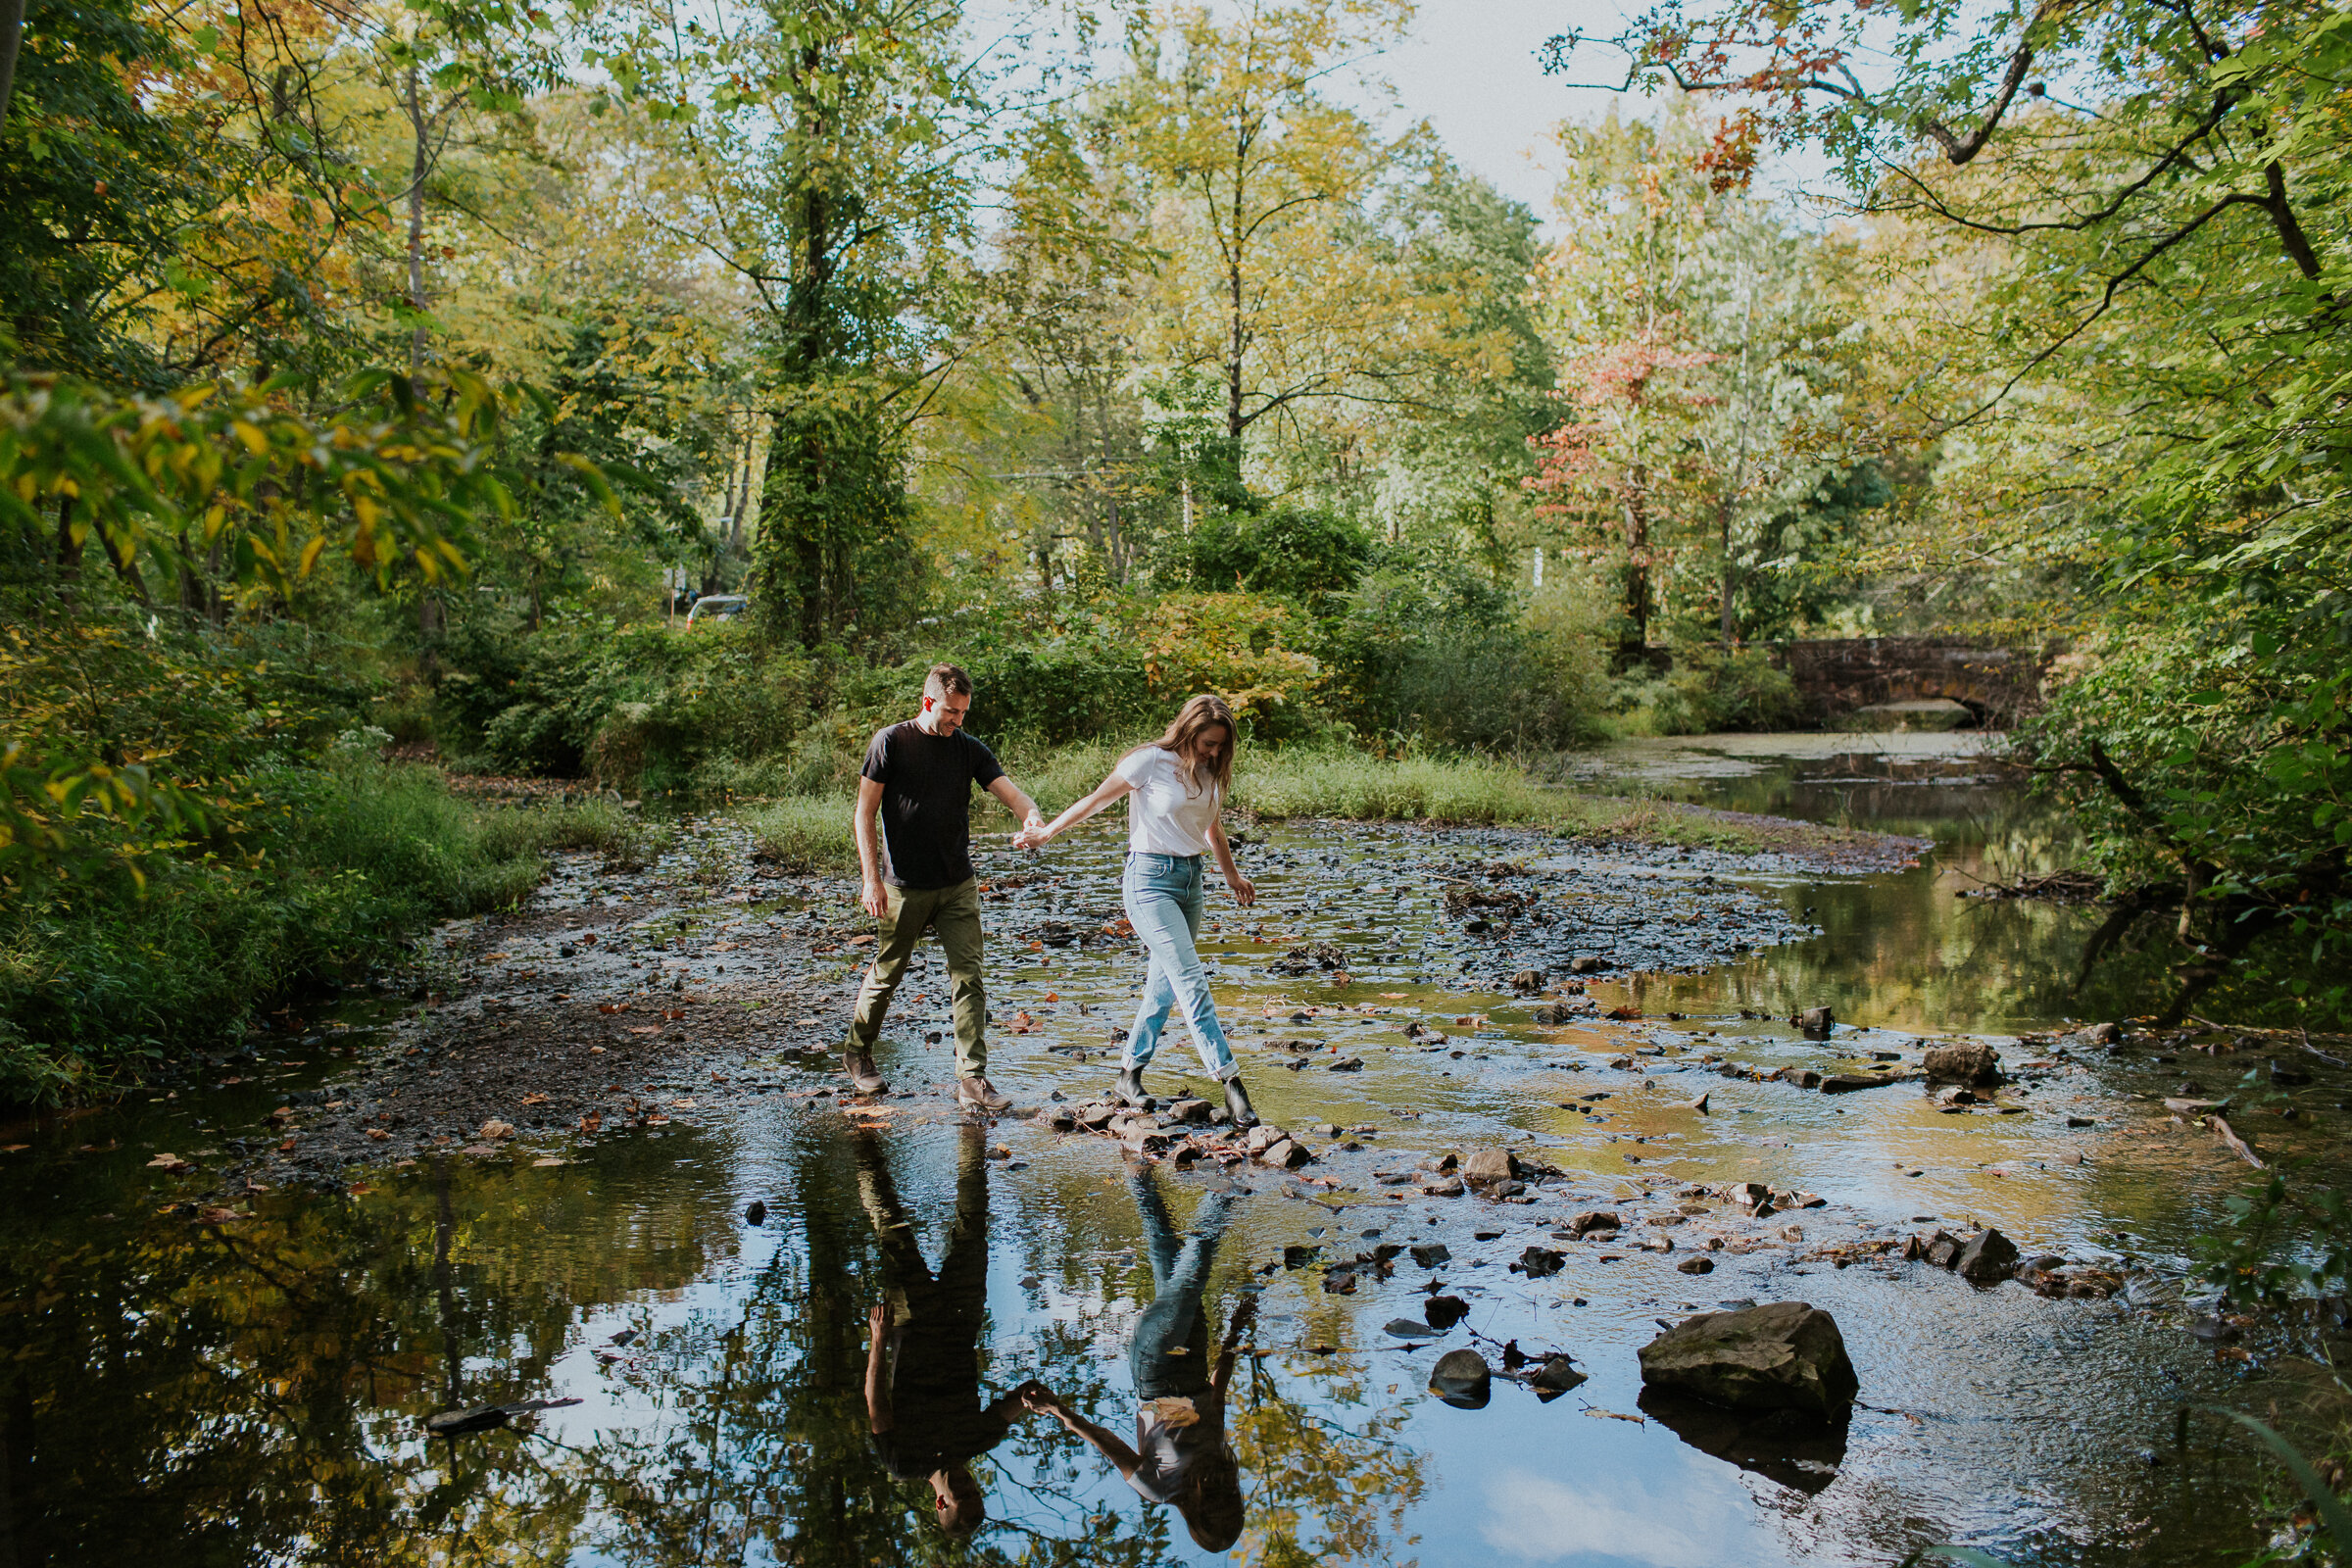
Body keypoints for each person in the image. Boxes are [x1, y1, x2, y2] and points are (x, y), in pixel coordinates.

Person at [1013, 693, 1260, 1127]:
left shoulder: (1211, 772)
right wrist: (1046, 833)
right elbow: (1095, 800)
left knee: (1163, 987)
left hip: (1190, 882)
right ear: (1188, 731)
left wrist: (1233, 876)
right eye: (1208, 743)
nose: (1214, 752)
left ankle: (1128, 1075)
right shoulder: (1149, 762)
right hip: (1148, 881)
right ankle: (1232, 1085)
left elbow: (1211, 827)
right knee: (1190, 979)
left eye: (1221, 745)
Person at [1022, 1166, 1255, 1552]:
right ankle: (1138, 1162)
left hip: (1156, 1367)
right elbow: (1216, 1395)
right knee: (1163, 1243)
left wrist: (1059, 1410)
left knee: (1196, 1264)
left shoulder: (1158, 1488)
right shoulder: (1218, 1464)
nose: (1224, 1503)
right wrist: (1236, 1329)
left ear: (1198, 1518)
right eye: (1231, 1508)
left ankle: (1228, 1175)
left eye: (1215, 1514)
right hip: (1193, 1355)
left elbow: (1105, 1442)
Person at [847, 662, 1047, 1111]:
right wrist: (871, 880)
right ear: (928, 702)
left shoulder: (969, 749)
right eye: (951, 712)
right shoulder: (891, 742)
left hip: (958, 884)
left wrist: (1031, 818)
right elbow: (864, 814)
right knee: (887, 973)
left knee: (969, 978)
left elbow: (1014, 795)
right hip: (904, 887)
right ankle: (857, 1052)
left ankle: (972, 1080)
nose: (958, 720)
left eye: (964, 713)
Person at [857, 1123, 1047, 1538]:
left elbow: (877, 1404)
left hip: (912, 1323)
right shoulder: (976, 1442)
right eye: (974, 1489)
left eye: (961, 1492)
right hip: (962, 1320)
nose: (965, 1482)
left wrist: (879, 1340)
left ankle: (863, 1142)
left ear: (941, 1502)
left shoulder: (903, 1463)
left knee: (893, 1232)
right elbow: (1021, 1397)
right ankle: (972, 1135)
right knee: (973, 1228)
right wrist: (1037, 1400)